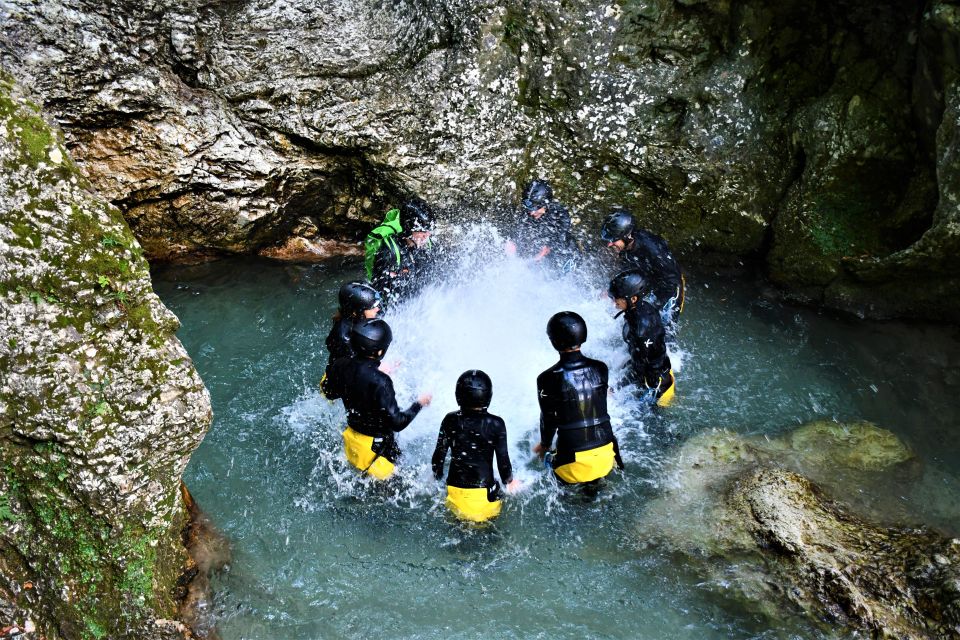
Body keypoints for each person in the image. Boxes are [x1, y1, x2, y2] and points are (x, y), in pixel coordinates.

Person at [322, 319, 432, 480]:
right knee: (390, 491)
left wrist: (374, 370)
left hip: (351, 443)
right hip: (377, 455)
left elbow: (329, 392)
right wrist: (420, 403)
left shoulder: (340, 364)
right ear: (380, 352)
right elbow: (398, 423)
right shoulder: (381, 381)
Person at [533, 311, 624, 485]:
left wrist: (544, 445)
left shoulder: (546, 378)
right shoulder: (601, 368)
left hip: (572, 465)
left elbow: (548, 418)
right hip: (607, 457)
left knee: (557, 474)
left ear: (553, 341)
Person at [431, 370, 519, 523]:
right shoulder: (496, 424)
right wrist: (510, 481)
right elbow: (503, 463)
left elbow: (438, 458)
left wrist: (436, 477)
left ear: (458, 396)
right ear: (488, 397)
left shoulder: (449, 420)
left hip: (454, 495)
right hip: (484, 497)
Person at [600, 209, 684, 326]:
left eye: (613, 240)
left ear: (626, 236)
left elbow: (672, 280)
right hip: (648, 279)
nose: (609, 244)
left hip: (670, 286)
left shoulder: (653, 249)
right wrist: (613, 290)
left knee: (662, 328)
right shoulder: (626, 247)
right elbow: (627, 269)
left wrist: (655, 306)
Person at [609, 269, 675, 406]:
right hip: (649, 366)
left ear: (633, 298)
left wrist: (616, 388)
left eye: (617, 298)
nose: (614, 301)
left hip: (656, 385)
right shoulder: (642, 307)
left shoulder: (642, 330)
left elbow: (644, 367)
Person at [365, 198, 437, 305]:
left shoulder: (426, 245)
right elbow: (380, 293)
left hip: (417, 300)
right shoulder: (388, 251)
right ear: (408, 229)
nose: (427, 236)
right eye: (422, 232)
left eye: (429, 231)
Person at [508, 179, 576, 269]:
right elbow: (519, 228)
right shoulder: (529, 214)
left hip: (564, 255)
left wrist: (546, 250)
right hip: (541, 249)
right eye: (529, 209)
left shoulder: (559, 215)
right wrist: (512, 241)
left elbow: (560, 237)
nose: (531, 213)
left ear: (545, 204)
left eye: (535, 209)